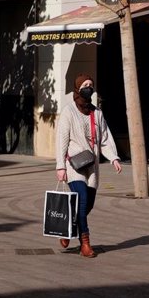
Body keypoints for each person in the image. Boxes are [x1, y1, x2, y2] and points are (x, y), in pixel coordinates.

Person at [55, 74, 122, 258]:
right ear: (77, 88)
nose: (88, 88)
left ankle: (68, 229)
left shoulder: (97, 113)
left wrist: (113, 158)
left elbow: (105, 139)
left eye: (91, 85)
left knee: (87, 206)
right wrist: (60, 166)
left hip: (92, 166)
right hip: (73, 165)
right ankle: (85, 244)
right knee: (82, 199)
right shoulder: (69, 112)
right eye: (85, 85)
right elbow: (62, 139)